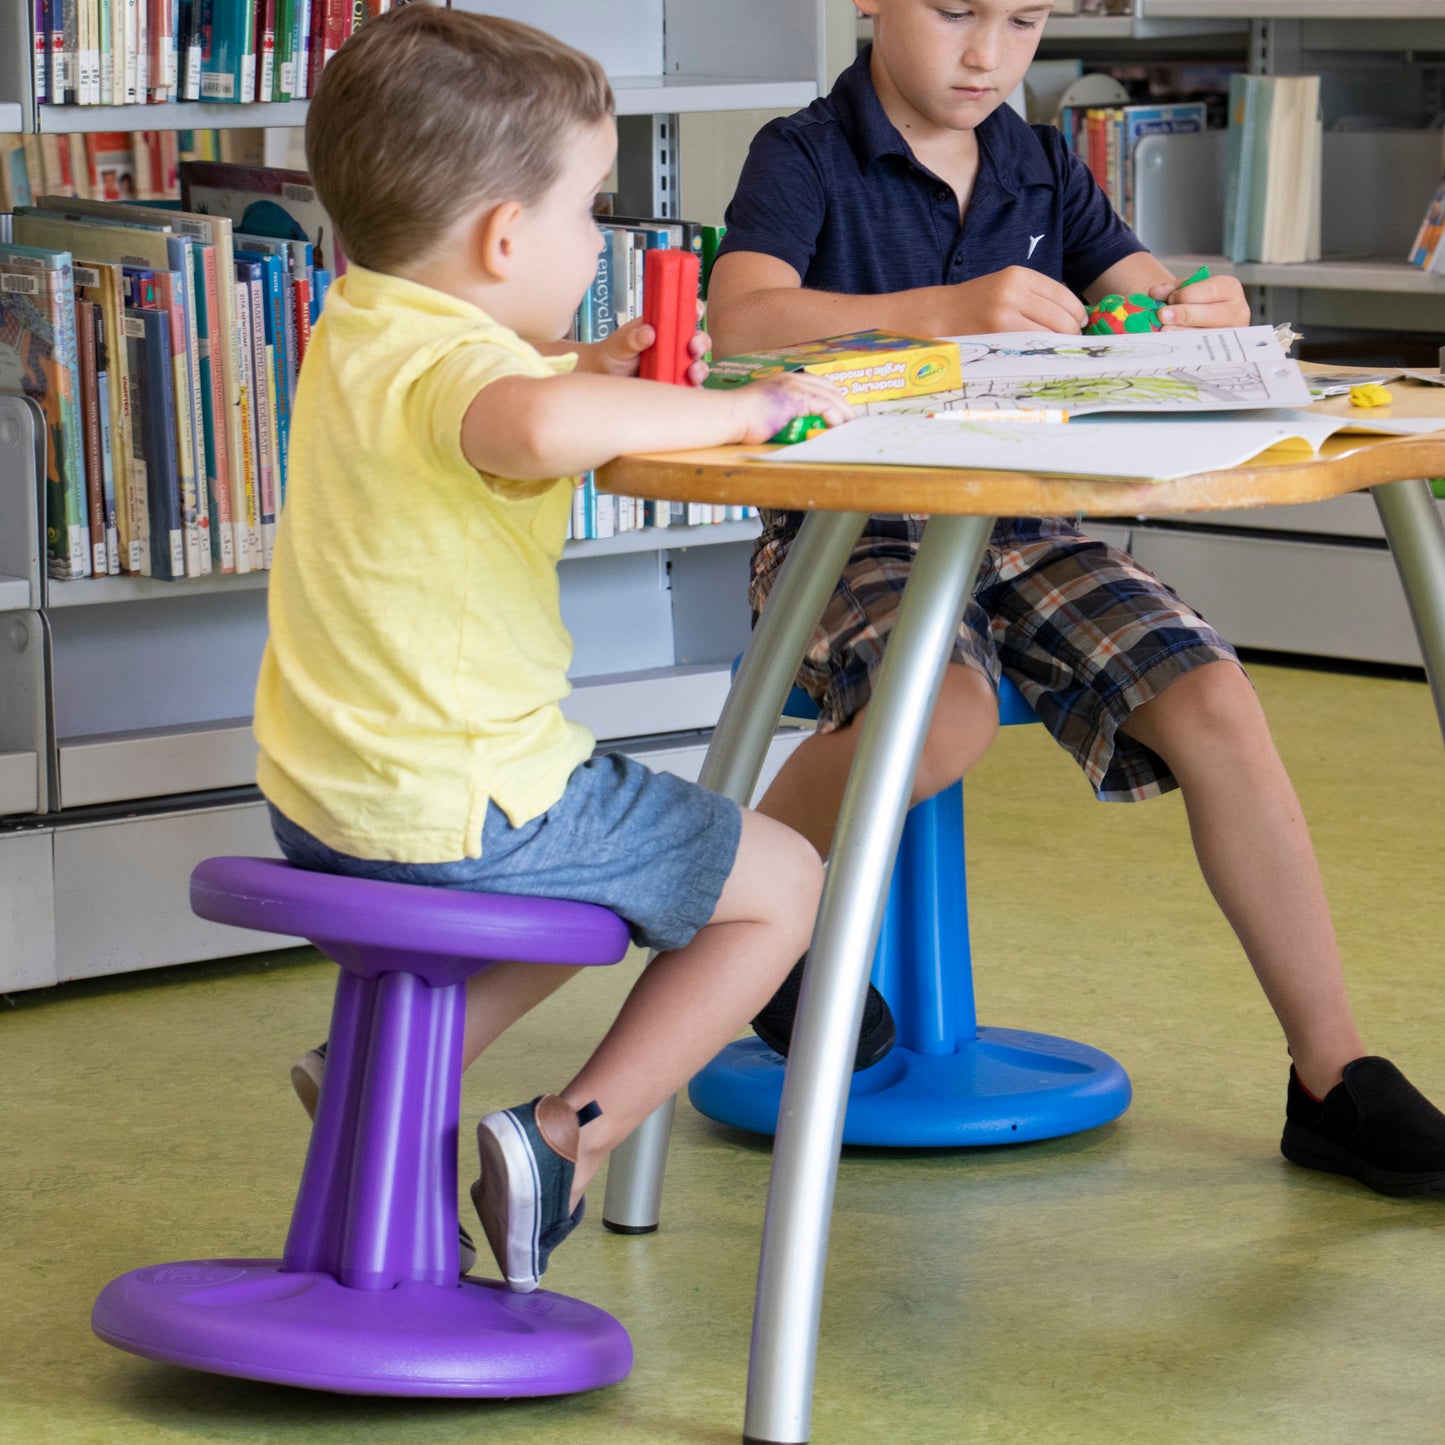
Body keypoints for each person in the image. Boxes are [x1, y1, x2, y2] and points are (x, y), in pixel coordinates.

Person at [705, 0, 1445, 1197]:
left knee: (1212, 699)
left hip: (1023, 521)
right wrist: (940, 313)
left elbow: (1142, 298)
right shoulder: (804, 152)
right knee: (933, 712)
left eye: (1023, 20)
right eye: (954, 13)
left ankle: (1330, 1075)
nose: (987, 51)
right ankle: (747, 904)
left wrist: (1204, 315)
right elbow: (735, 324)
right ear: (869, 5)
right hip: (848, 518)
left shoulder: (1041, 160)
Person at [253, 5, 854, 1292]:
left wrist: (586, 364)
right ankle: (566, 1135)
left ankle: (377, 1075)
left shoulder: (362, 325)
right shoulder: (472, 375)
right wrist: (735, 410)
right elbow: (525, 429)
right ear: (503, 237)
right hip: (461, 804)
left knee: (608, 867)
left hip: (324, 794)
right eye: (591, 210)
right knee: (783, 876)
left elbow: (495, 402)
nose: (598, 239)